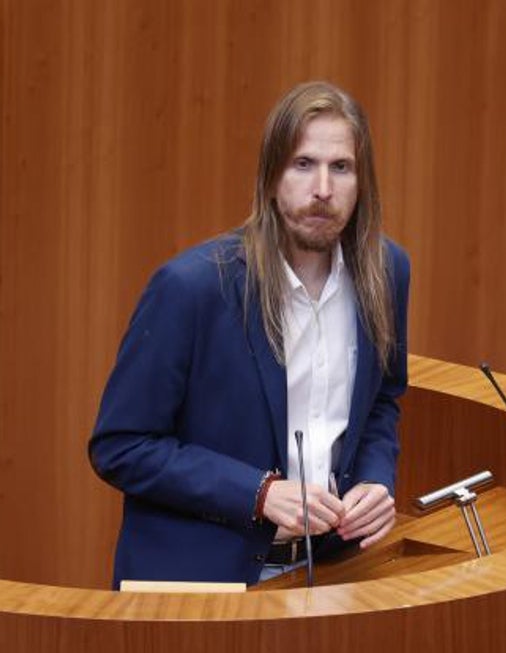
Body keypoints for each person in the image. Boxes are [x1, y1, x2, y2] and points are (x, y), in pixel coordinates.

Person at [89, 81, 410, 587]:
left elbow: (383, 400)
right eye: (303, 164)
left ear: (362, 181)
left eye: (341, 167)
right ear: (271, 176)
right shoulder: (192, 287)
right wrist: (258, 493)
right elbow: (121, 446)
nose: (322, 188)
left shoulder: (387, 271)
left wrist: (374, 478)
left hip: (327, 570)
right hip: (202, 577)